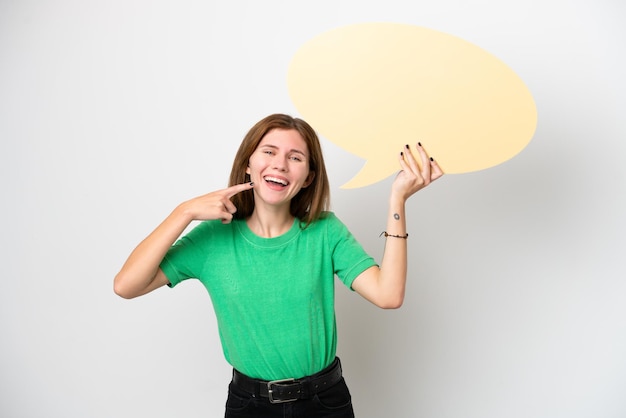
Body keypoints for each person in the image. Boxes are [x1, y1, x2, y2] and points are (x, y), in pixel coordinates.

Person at [114, 113, 443, 417]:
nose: (280, 165)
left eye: (295, 157)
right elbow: (126, 285)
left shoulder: (324, 231)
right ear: (248, 163)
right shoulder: (212, 238)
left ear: (308, 177)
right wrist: (182, 212)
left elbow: (388, 295)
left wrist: (397, 200)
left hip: (324, 402)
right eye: (269, 152)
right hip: (249, 406)